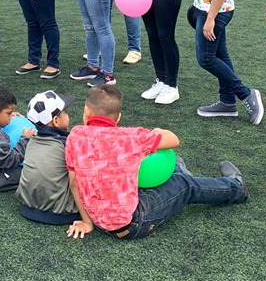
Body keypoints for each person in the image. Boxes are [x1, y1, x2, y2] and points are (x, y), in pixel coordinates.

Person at [65, 85, 248, 240]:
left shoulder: (75, 135)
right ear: (118, 117)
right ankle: (237, 188)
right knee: (184, 184)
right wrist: (157, 130)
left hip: (98, 222)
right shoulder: (131, 137)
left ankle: (179, 174)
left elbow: (74, 182)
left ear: (87, 111)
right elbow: (173, 140)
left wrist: (87, 222)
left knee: (165, 171)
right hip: (132, 223)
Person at [17, 90, 81, 225]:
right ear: (56, 121)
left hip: (26, 208)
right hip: (61, 213)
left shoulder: (31, 141)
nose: (68, 116)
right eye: (65, 113)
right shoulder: (66, 144)